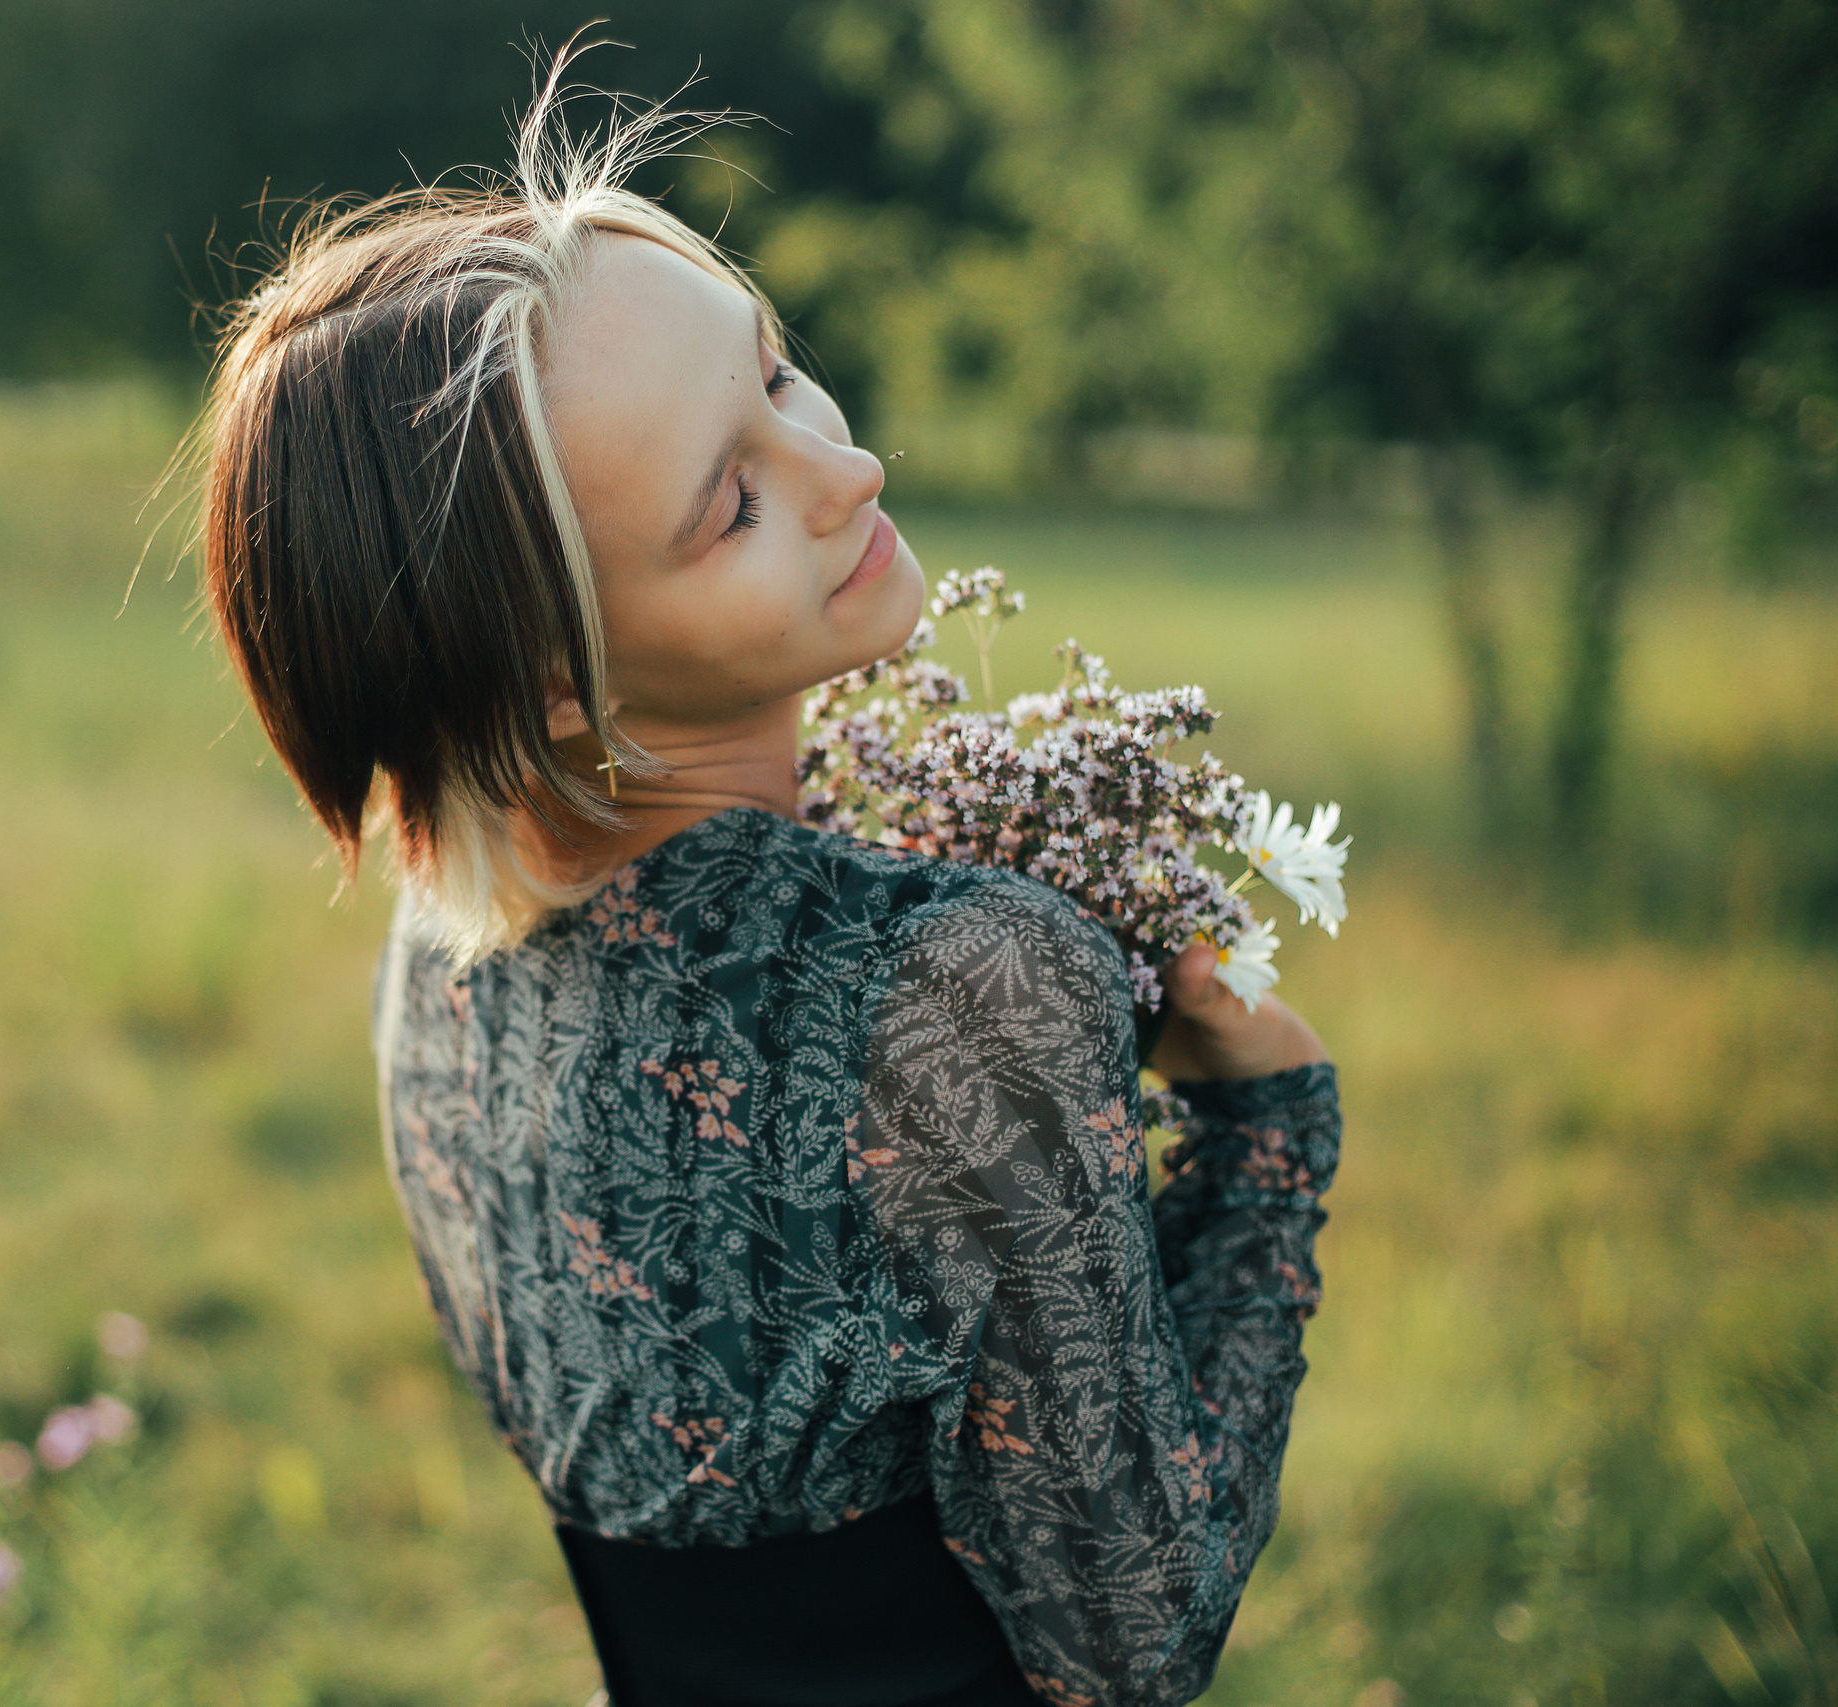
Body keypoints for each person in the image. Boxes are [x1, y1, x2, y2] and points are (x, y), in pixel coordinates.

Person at [196, 62, 1341, 1707]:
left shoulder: (440, 937)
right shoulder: (958, 985)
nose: (843, 466)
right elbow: (1131, 1641)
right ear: (562, 692)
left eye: (779, 374)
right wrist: (1265, 1136)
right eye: (731, 504)